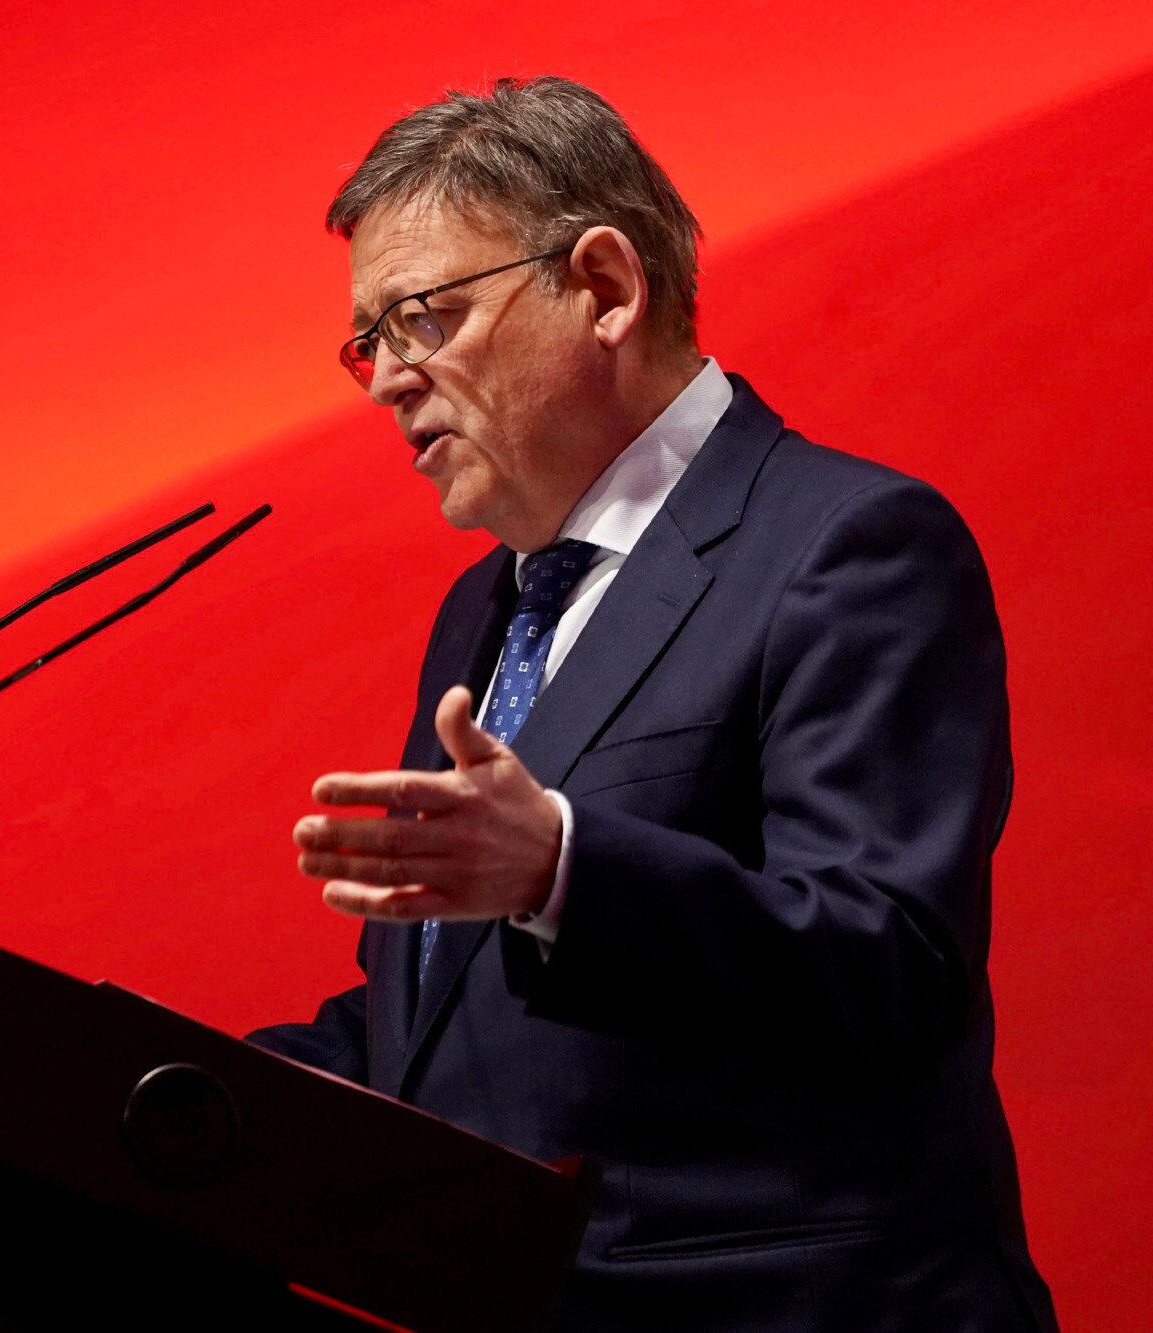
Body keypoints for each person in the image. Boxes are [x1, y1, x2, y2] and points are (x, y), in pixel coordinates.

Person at [248, 77, 1057, 1332]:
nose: (383, 383)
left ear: (606, 288)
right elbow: (460, 1031)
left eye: (419, 319)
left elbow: (885, 962)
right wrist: (136, 1079)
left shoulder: (845, 545)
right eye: (369, 342)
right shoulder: (486, 611)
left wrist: (561, 867)